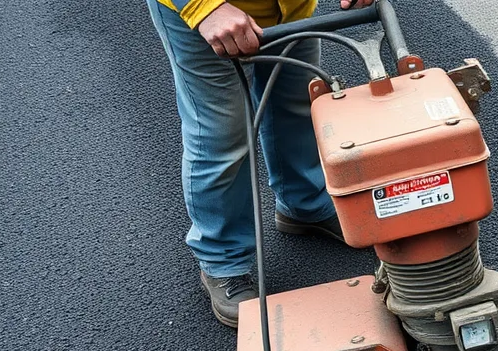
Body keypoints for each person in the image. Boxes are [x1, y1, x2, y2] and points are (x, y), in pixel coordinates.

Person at [148, 0, 376, 327]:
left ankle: (305, 204)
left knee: (298, 102)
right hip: (207, 16)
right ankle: (222, 259)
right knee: (222, 135)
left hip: (290, 7)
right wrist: (203, 7)